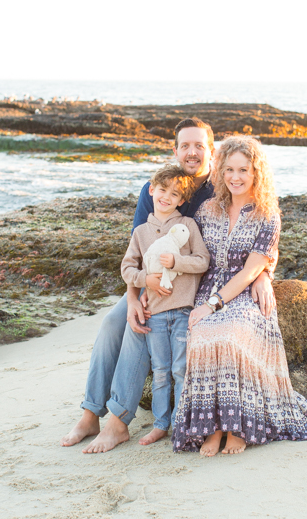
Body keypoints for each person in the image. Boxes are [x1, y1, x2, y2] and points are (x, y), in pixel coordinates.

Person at [60, 118, 278, 449]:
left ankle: (118, 421)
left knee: (141, 328)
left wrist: (262, 273)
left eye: (199, 146)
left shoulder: (219, 187)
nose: (192, 153)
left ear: (212, 150)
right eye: (185, 146)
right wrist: (133, 297)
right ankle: (91, 415)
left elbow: (247, 235)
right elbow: (139, 249)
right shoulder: (158, 188)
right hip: (151, 281)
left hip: (192, 286)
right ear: (174, 150)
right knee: (112, 323)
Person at [172, 136, 307, 456]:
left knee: (231, 334)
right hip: (208, 288)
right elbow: (190, 251)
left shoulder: (267, 215)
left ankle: (238, 427)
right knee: (202, 335)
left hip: (244, 294)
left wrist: (257, 277)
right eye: (230, 170)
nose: (236, 177)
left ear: (256, 173)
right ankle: (215, 428)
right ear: (221, 171)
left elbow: (250, 270)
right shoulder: (208, 211)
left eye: (244, 170)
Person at [110, 164, 209, 447]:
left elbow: (202, 261)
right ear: (151, 190)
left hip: (181, 311)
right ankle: (160, 424)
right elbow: (127, 268)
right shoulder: (141, 232)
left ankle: (180, 423)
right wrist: (146, 280)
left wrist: (177, 262)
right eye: (162, 190)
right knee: (161, 371)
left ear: (182, 201)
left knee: (180, 369)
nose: (167, 196)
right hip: (154, 314)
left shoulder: (187, 227)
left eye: (175, 194)